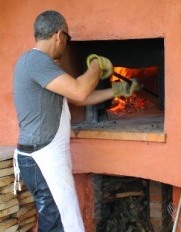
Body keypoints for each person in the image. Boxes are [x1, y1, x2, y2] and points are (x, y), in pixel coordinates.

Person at [13, 10, 138, 232]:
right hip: (41, 159)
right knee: (59, 225)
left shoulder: (41, 65)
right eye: (68, 39)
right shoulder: (36, 61)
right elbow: (80, 91)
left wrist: (119, 90)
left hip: (41, 156)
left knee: (59, 222)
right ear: (59, 35)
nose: (66, 44)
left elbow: (79, 98)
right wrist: (96, 66)